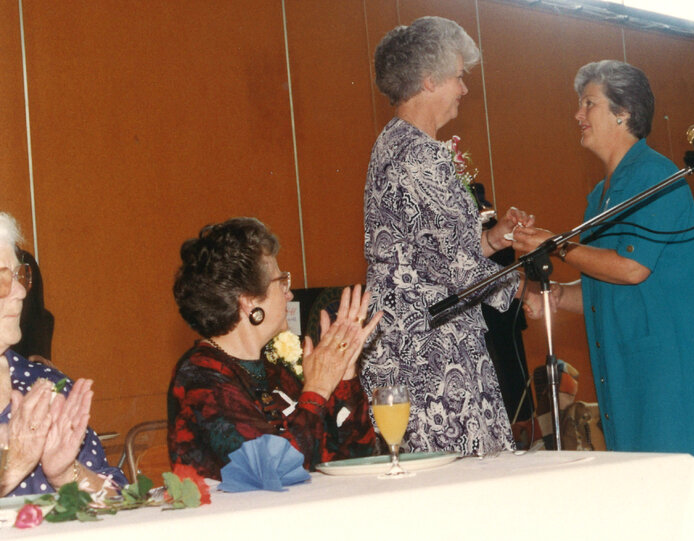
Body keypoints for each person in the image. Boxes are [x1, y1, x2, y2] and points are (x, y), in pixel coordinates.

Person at [512, 60, 694, 499]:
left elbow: (632, 268)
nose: (578, 115)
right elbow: (603, 286)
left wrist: (555, 244)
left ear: (623, 113)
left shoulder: (658, 177)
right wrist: (554, 296)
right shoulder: (600, 196)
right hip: (626, 374)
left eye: (588, 104)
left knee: (682, 505)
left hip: (669, 378)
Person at [363, 16, 540, 455]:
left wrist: (494, 241)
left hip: (406, 340)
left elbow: (433, 252)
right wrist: (525, 291)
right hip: (433, 351)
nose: (464, 88)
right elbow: (460, 272)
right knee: (461, 483)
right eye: (459, 77)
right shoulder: (423, 156)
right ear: (429, 80)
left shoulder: (392, 143)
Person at [169, 217, 382, 480]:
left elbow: (355, 462)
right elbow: (271, 471)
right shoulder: (199, 379)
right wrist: (317, 389)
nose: (289, 294)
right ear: (248, 301)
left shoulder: (275, 373)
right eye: (281, 282)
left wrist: (343, 376)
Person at [0, 212, 125, 497]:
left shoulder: (46, 385)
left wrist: (67, 474)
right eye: (2, 279)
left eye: (19, 276)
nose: (20, 291)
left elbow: (122, 503)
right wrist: (12, 467)